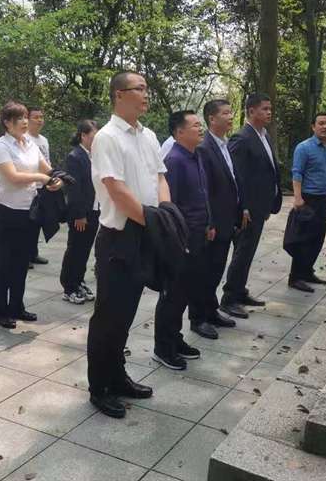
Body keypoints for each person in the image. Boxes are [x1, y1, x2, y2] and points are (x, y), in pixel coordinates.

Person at [87, 70, 171, 419]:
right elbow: (116, 190)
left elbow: (160, 177)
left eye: (147, 88)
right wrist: (154, 221)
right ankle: (99, 387)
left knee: (127, 313)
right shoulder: (107, 138)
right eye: (139, 88)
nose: (146, 94)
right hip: (119, 237)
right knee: (108, 316)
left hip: (146, 230)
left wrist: (165, 214)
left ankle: (117, 376)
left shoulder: (148, 135)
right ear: (119, 95)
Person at [0, 101, 63, 329]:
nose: (24, 122)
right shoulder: (1, 146)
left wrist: (56, 179)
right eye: (18, 119)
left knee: (22, 263)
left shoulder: (30, 143)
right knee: (4, 263)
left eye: (24, 117)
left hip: (28, 211)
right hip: (6, 211)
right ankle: (1, 311)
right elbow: (12, 177)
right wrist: (41, 178)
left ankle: (17, 307)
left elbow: (46, 168)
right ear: (6, 122)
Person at [152, 111, 207, 370]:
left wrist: (208, 224)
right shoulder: (174, 160)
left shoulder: (196, 155)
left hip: (197, 235)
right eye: (195, 125)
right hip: (180, 239)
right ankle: (163, 348)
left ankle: (175, 338)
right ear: (179, 132)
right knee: (172, 294)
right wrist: (177, 239)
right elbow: (168, 204)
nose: (200, 128)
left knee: (184, 292)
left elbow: (201, 194)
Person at [222, 93, 282, 318]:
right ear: (251, 111)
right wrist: (243, 207)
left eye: (270, 109)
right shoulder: (242, 138)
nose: (269, 112)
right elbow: (236, 176)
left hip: (260, 206)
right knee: (243, 252)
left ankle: (239, 291)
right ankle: (229, 299)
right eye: (264, 109)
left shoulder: (264, 135)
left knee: (248, 252)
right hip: (248, 210)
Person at [194, 99, 239, 339]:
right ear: (212, 119)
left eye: (231, 112)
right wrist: (209, 222)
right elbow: (204, 190)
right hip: (213, 223)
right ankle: (198, 318)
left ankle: (211, 311)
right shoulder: (204, 148)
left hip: (227, 219)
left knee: (216, 269)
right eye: (225, 113)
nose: (230, 116)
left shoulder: (225, 144)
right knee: (205, 272)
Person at [288, 112, 326, 292]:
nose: (325, 126)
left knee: (317, 239)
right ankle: (295, 277)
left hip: (324, 200)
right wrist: (297, 198)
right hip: (308, 199)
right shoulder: (304, 148)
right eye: (321, 123)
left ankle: (306, 272)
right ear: (313, 126)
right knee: (303, 239)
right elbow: (297, 173)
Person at [60, 120, 99, 304]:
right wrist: (79, 215)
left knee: (84, 250)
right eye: (93, 137)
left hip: (94, 209)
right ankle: (69, 287)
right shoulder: (75, 156)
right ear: (83, 136)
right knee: (75, 249)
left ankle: (79, 281)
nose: (96, 140)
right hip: (80, 212)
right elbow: (74, 189)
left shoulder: (93, 155)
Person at [27, 105, 50, 267]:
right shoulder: (25, 139)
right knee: (28, 222)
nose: (39, 120)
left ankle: (33, 253)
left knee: (38, 222)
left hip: (44, 186)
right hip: (30, 187)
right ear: (27, 120)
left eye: (41, 117)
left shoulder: (44, 140)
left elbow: (47, 162)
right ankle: (25, 256)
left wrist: (52, 179)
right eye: (35, 117)